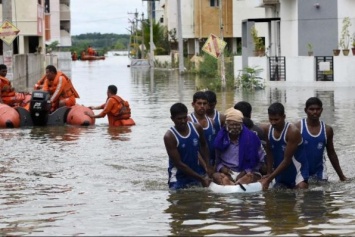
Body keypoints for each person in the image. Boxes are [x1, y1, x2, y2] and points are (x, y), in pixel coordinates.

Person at [295, 97, 346, 182]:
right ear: (305, 110)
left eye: (317, 109)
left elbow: (331, 153)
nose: (315, 112)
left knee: (321, 194)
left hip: (320, 172)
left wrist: (341, 176)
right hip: (301, 171)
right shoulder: (297, 128)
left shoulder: (327, 130)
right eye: (311, 109)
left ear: (322, 110)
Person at [260, 102, 309, 190]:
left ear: (284, 117)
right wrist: (269, 172)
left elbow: (287, 160)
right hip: (281, 172)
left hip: (298, 173)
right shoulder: (266, 129)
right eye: (271, 119)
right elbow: (269, 152)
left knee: (301, 191)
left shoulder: (292, 132)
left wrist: (269, 179)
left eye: (276, 119)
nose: (273, 123)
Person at [164, 102, 211, 190]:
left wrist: (208, 166)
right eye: (179, 119)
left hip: (197, 173)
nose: (183, 121)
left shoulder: (197, 128)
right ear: (172, 119)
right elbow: (178, 164)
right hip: (178, 178)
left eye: (185, 117)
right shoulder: (169, 137)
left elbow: (204, 146)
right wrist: (201, 179)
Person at [213, 107, 265, 185]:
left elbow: (260, 160)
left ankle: (238, 182)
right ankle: (229, 182)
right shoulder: (220, 139)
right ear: (226, 125)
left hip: (248, 171)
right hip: (228, 172)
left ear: (242, 125)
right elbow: (217, 161)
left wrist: (246, 171)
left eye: (237, 125)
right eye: (232, 125)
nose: (234, 127)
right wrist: (222, 168)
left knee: (250, 176)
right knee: (216, 176)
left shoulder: (252, 138)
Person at [187, 91, 216, 168]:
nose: (202, 106)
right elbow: (191, 148)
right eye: (199, 103)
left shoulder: (211, 121)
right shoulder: (188, 121)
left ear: (208, 105)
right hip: (195, 163)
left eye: (204, 103)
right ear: (193, 104)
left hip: (209, 161)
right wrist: (206, 166)